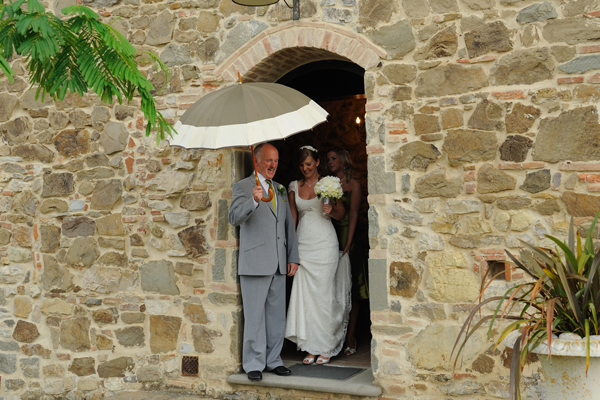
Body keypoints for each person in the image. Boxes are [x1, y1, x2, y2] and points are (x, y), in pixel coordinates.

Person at [228, 143, 299, 381]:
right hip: (255, 263)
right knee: (255, 316)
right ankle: (253, 363)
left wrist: (293, 258)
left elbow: (288, 225)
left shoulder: (279, 188)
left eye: (276, 161)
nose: (273, 165)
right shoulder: (243, 186)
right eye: (269, 160)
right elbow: (234, 217)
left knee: (276, 317)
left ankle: (273, 360)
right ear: (257, 161)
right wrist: (254, 201)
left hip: (279, 263)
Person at [285, 145, 352, 365]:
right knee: (307, 297)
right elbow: (293, 219)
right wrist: (292, 252)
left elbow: (342, 213)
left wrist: (332, 211)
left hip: (325, 244)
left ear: (316, 162)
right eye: (302, 165)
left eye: (309, 164)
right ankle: (311, 347)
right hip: (304, 244)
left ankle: (325, 346)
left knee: (324, 296)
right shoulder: (294, 186)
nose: (305, 168)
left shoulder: (328, 183)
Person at [327, 146, 369, 356]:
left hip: (349, 239)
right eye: (328, 160)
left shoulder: (354, 184)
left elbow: (353, 214)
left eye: (333, 158)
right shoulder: (329, 184)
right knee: (334, 289)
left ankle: (351, 336)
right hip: (331, 236)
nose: (330, 162)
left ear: (343, 159)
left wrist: (348, 243)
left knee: (353, 290)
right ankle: (334, 335)